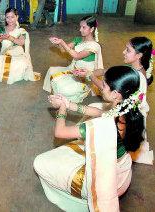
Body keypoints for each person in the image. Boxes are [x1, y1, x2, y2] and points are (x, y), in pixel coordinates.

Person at [34, 66, 145, 211]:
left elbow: (60, 132)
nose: (101, 88)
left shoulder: (100, 127)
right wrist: (69, 104)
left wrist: (61, 108)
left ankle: (81, 201)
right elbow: (101, 112)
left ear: (116, 94)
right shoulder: (129, 111)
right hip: (122, 173)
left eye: (104, 85)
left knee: (39, 162)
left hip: (105, 185)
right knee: (94, 108)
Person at [76, 37, 153, 164]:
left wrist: (90, 75)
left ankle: (88, 139)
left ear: (139, 55)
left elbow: (105, 89)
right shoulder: (133, 68)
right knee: (94, 106)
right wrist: (91, 72)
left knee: (94, 110)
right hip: (123, 107)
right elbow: (107, 71)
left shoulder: (138, 76)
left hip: (127, 116)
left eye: (128, 50)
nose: (123, 52)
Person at [43, 16, 103, 103]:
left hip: (84, 76)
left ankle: (84, 90)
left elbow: (77, 56)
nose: (80, 30)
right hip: (73, 70)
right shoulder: (78, 39)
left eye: (84, 27)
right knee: (51, 70)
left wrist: (62, 42)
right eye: (80, 27)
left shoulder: (94, 46)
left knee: (64, 89)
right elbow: (63, 50)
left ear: (92, 29)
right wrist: (58, 43)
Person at [0, 8, 41, 84]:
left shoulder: (21, 31)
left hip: (18, 55)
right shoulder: (1, 29)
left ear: (17, 17)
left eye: (12, 17)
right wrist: (0, 38)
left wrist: (9, 37)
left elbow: (21, 43)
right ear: (5, 18)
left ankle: (15, 75)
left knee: (22, 63)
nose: (10, 20)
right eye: (7, 17)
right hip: (5, 54)